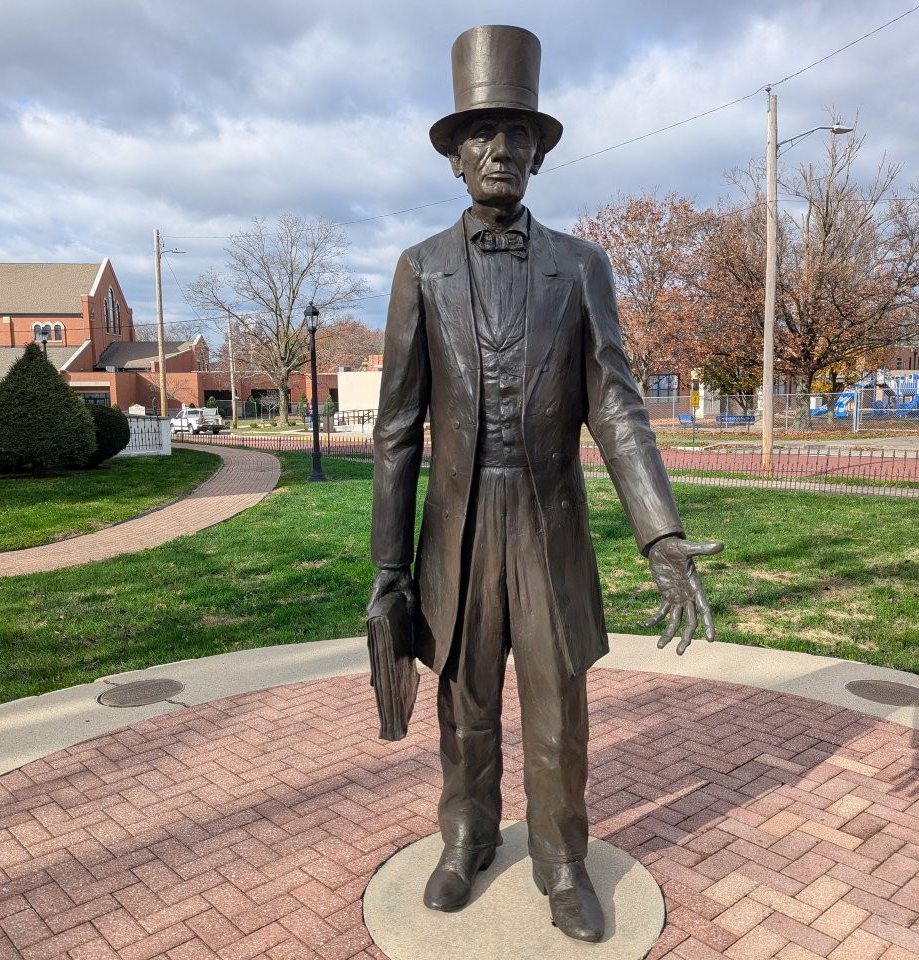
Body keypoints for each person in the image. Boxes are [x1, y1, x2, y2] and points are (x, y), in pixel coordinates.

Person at [368, 25, 722, 944]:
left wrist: (660, 532)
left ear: (537, 155)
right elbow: (397, 431)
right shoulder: (419, 269)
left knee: (560, 704)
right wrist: (388, 569)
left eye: (516, 135)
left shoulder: (582, 267)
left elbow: (618, 410)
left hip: (549, 517)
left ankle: (564, 861)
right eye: (481, 135)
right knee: (465, 696)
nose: (500, 151)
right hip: (457, 523)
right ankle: (466, 838)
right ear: (453, 158)